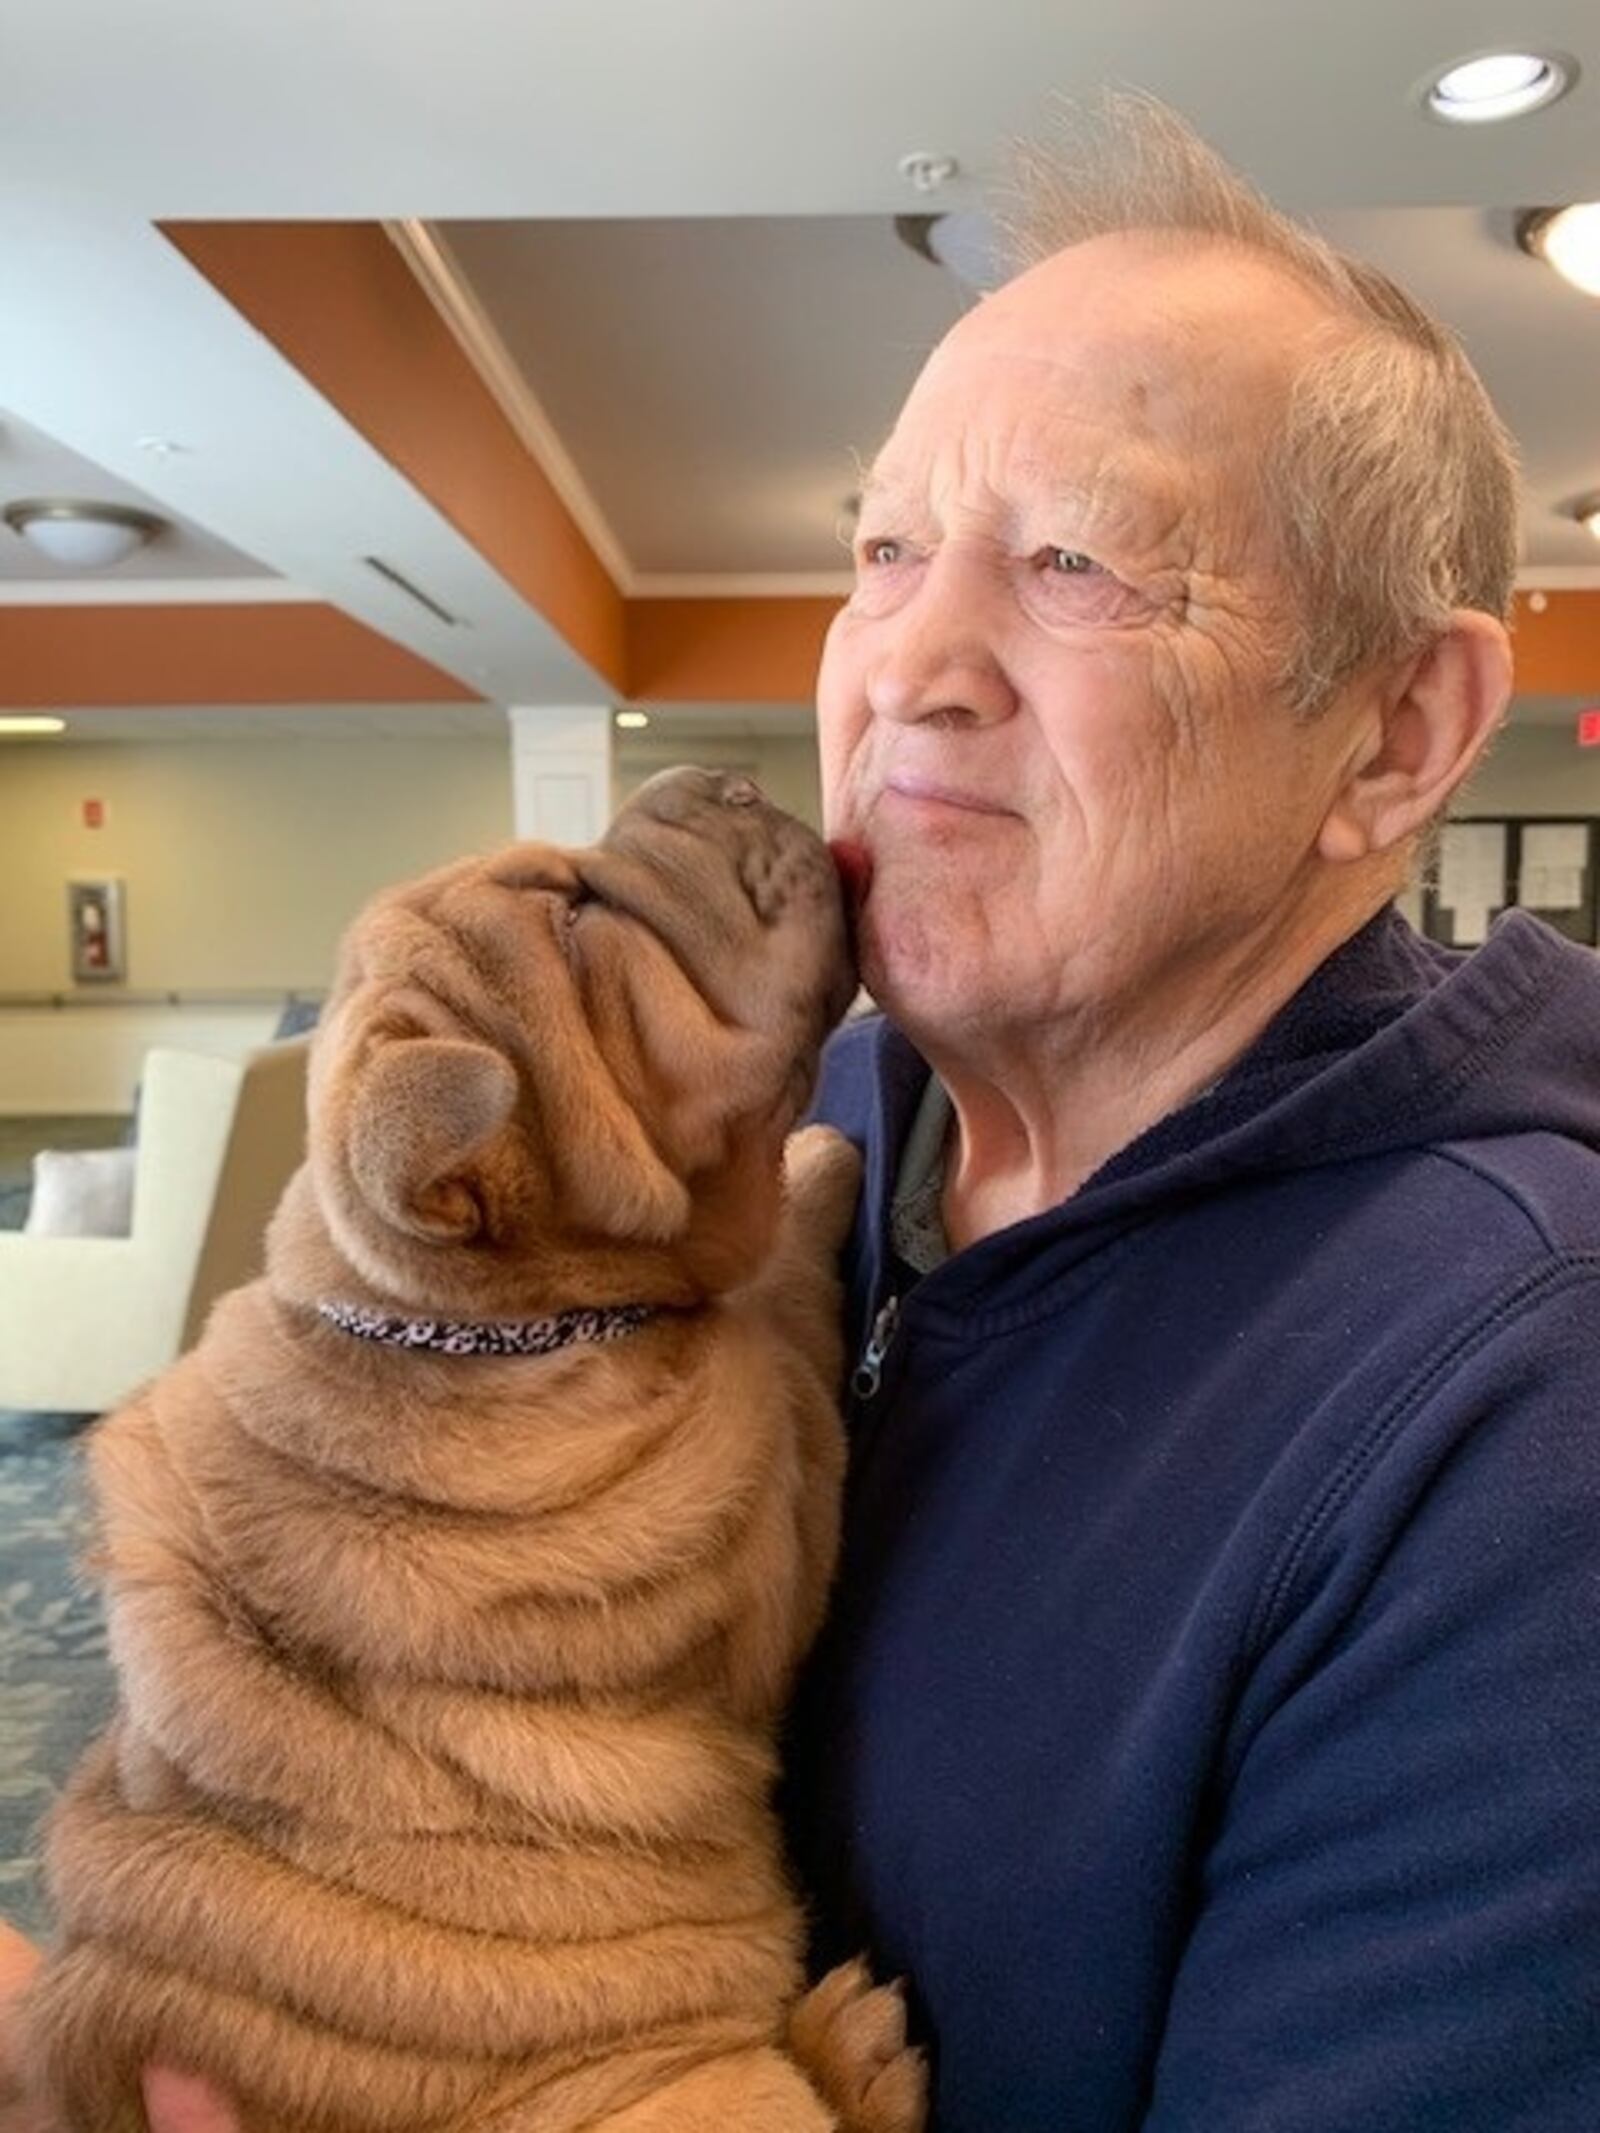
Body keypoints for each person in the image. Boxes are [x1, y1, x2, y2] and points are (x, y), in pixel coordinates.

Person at [6, 91, 1600, 2132]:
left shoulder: (1513, 1421)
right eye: (882, 548)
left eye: (1075, 562)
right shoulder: (823, 1111)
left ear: (1394, 734)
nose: (905, 662)